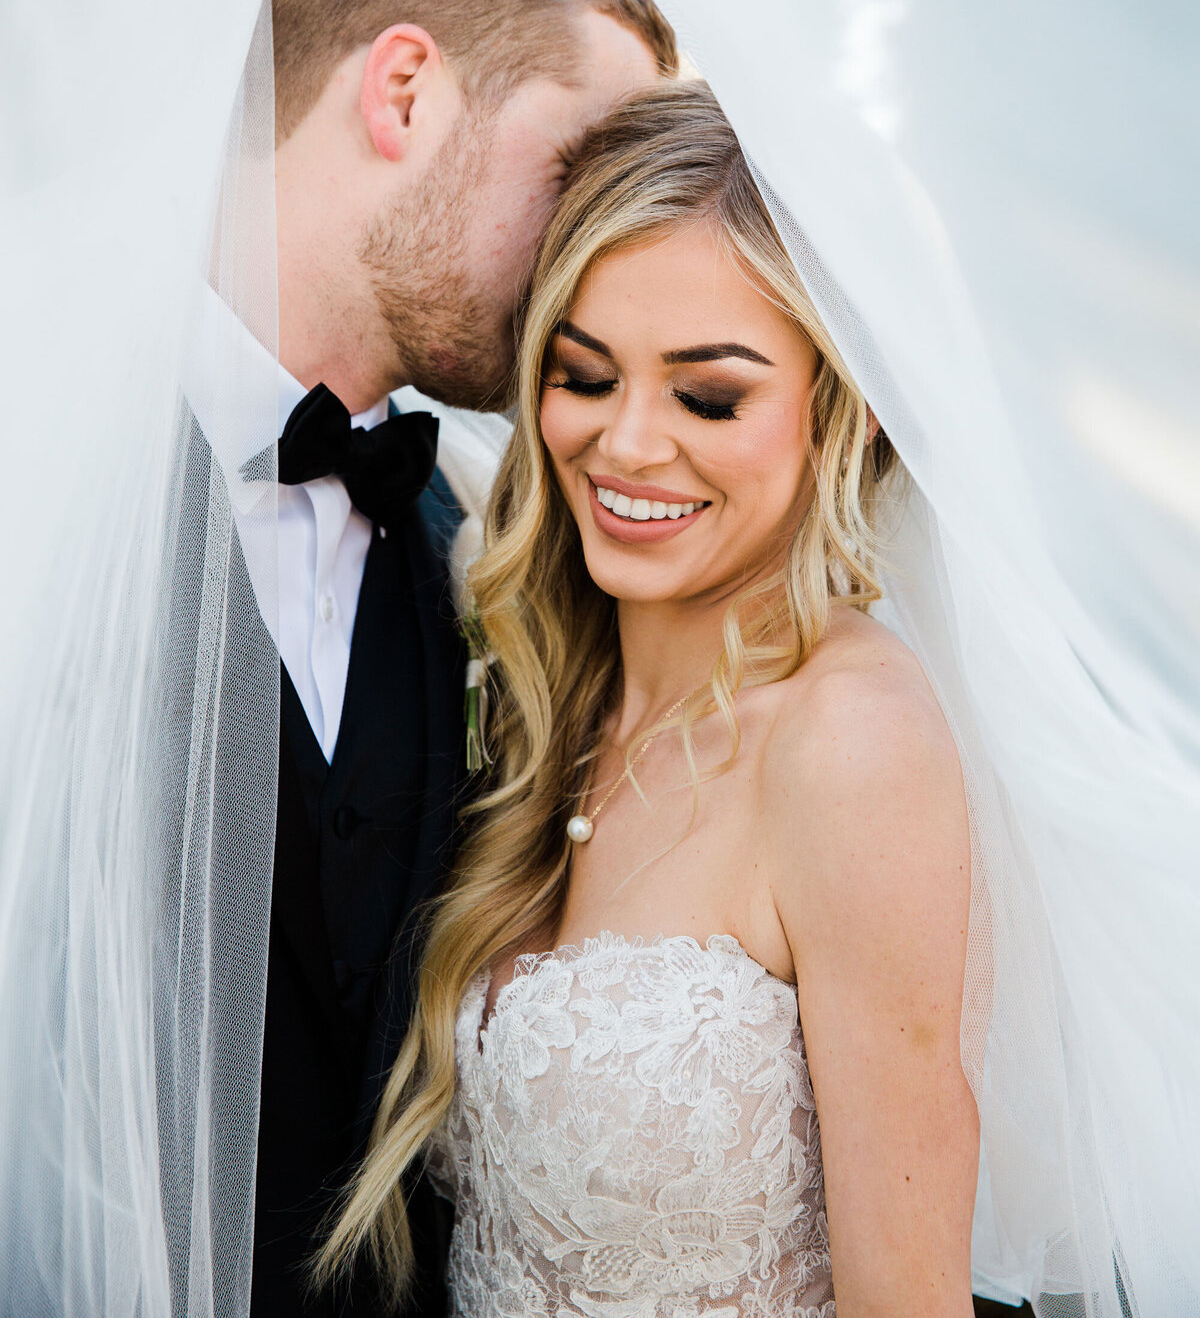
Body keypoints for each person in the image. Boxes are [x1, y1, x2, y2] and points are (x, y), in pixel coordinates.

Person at [323, 83, 983, 1317]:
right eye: (583, 374)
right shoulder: (541, 685)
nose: (626, 445)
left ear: (838, 408)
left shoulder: (850, 746)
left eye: (707, 396)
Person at [186, 0, 675, 1317]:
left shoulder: (480, 554)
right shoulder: (44, 472)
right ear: (404, 93)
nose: (603, 255)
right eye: (580, 170)